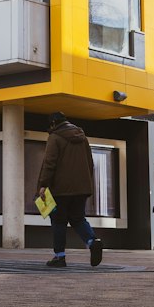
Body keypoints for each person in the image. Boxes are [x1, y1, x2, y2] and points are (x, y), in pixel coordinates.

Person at [35, 112, 103, 269]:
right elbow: (90, 162)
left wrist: (43, 184)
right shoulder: (82, 136)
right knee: (78, 218)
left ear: (53, 123)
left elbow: (49, 163)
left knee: (58, 221)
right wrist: (86, 183)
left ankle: (60, 257)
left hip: (61, 189)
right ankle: (92, 242)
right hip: (82, 188)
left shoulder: (55, 137)